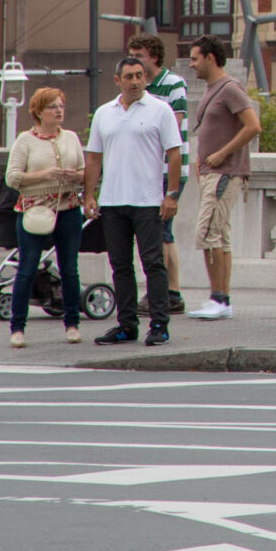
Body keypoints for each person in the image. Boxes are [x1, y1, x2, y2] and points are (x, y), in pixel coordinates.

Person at [85, 54, 183, 345]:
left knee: (153, 263)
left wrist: (172, 194)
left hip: (148, 201)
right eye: (129, 76)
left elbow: (174, 154)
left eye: (140, 75)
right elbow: (93, 157)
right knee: (120, 265)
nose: (135, 81)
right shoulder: (104, 113)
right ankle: (126, 325)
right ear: (117, 80)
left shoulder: (160, 110)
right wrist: (89, 194)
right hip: (113, 201)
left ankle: (159, 325)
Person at [180, 36, 259, 322]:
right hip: (212, 173)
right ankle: (221, 298)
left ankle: (218, 298)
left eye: (194, 58)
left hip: (224, 172)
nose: (191, 65)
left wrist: (221, 155)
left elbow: (253, 126)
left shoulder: (230, 89)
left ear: (210, 58)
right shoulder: (215, 89)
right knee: (220, 236)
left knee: (208, 233)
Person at [4, 87, 86, 347]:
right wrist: (44, 175)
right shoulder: (25, 140)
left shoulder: (71, 137)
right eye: (52, 106)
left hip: (69, 208)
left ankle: (72, 323)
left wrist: (77, 177)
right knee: (27, 269)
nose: (59, 110)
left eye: (61, 105)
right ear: (38, 111)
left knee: (69, 269)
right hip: (35, 211)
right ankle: (17, 327)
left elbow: (85, 172)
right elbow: (13, 177)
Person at [126, 34, 190, 317]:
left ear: (154, 56)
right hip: (144, 170)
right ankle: (171, 292)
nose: (134, 61)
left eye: (139, 55)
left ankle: (160, 293)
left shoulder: (173, 84)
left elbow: (170, 128)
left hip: (166, 169)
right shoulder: (136, 87)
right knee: (165, 233)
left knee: (159, 232)